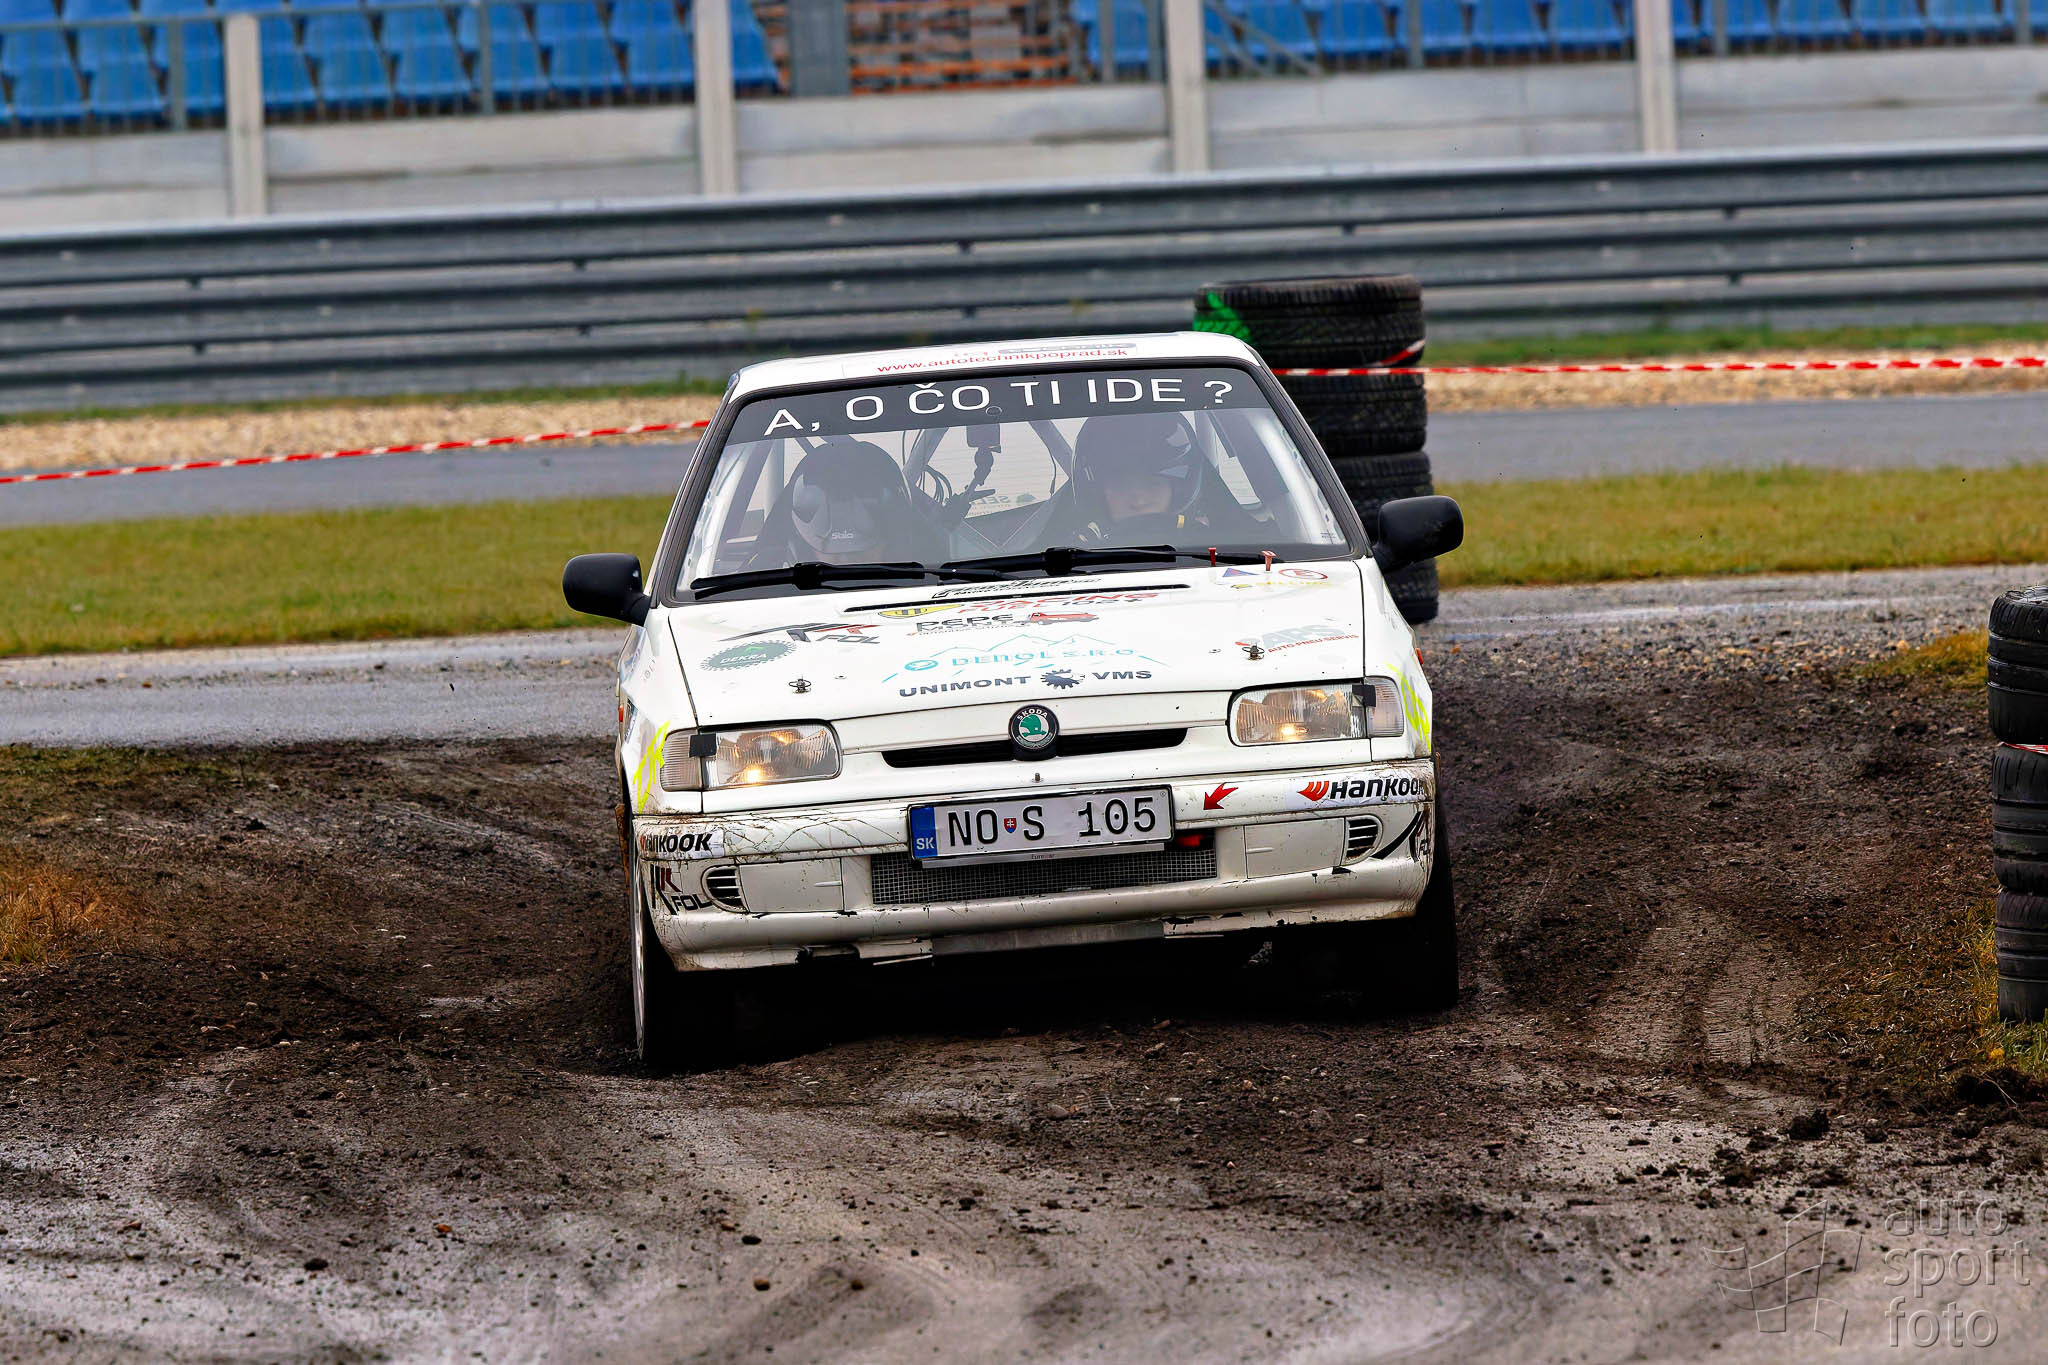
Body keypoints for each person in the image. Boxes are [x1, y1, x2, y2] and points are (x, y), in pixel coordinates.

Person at [1064, 412, 1255, 545]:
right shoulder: (1062, 557)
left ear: (1179, 490)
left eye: (1152, 484)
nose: (1139, 500)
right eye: (1122, 486)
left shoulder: (1227, 549)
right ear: (1098, 494)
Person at [750, 441, 931, 567]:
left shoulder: (938, 579)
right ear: (802, 550)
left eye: (861, 555)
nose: (847, 564)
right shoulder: (755, 595)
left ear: (895, 543)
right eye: (834, 556)